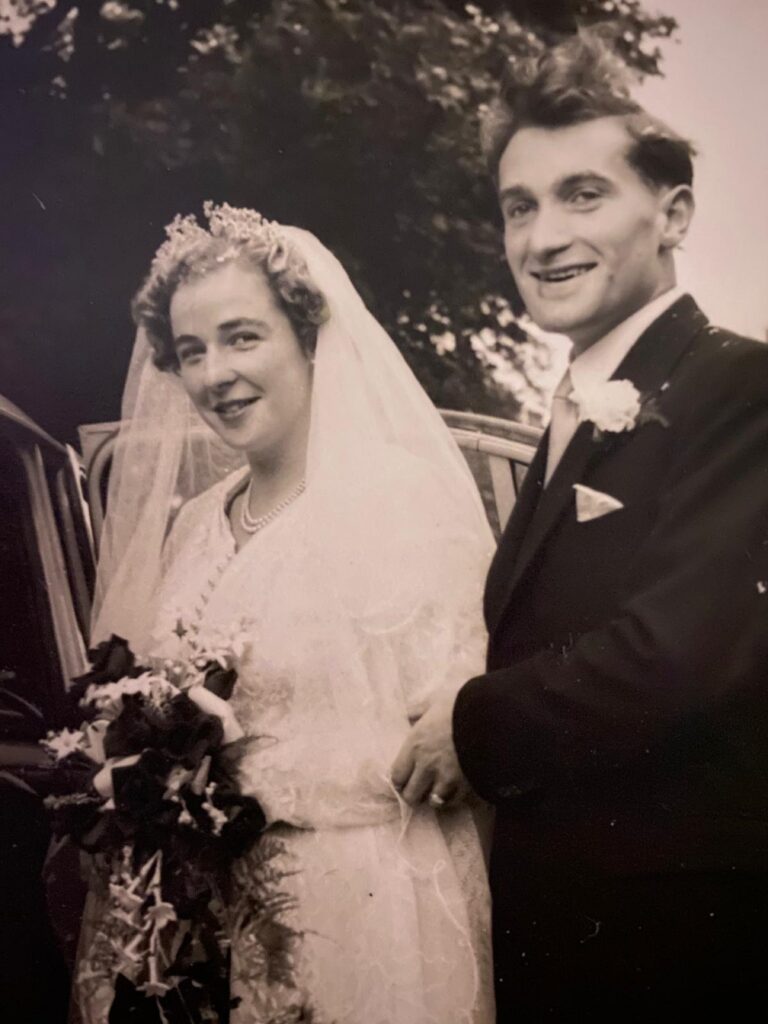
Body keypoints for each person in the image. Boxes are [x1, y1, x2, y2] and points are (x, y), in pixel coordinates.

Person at [392, 34, 768, 1021]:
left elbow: (680, 653)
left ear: (673, 211)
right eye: (521, 206)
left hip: (671, 953)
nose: (542, 236)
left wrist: (470, 724)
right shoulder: (568, 409)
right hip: (559, 936)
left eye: (583, 194)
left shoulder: (740, 387)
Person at [85, 203, 496, 1023]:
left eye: (243, 337)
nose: (213, 375)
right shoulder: (197, 521)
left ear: (308, 337)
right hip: (202, 913)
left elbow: (462, 741)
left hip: (360, 912)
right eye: (191, 351)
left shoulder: (397, 497)